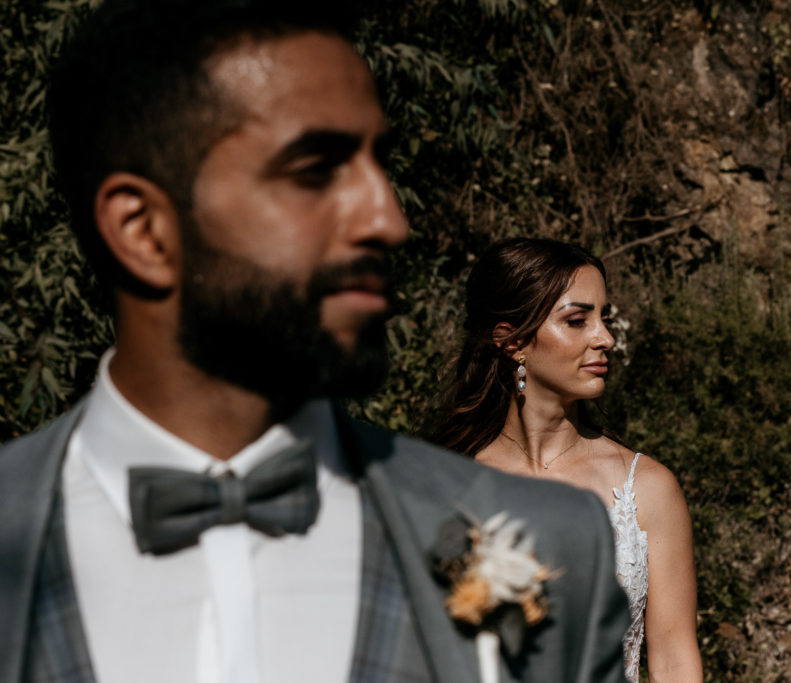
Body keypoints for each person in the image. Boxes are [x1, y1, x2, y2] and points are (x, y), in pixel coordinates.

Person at [0, 2, 630, 682]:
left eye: (378, 163)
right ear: (144, 231)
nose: (389, 219)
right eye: (314, 170)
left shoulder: (549, 546)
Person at [430, 238, 702, 682]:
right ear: (513, 341)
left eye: (605, 318)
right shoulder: (447, 486)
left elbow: (674, 661)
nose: (606, 338)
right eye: (578, 321)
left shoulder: (647, 488)